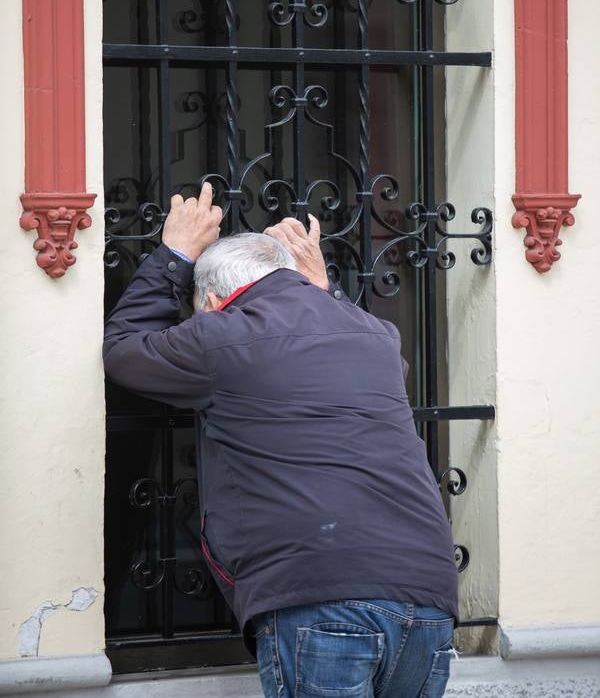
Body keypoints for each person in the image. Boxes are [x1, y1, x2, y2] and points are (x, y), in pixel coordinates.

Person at [104, 184, 459, 698]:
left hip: (320, 595)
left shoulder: (221, 336)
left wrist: (174, 255)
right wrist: (323, 289)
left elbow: (123, 351)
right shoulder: (375, 336)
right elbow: (370, 358)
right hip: (428, 601)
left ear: (212, 302)